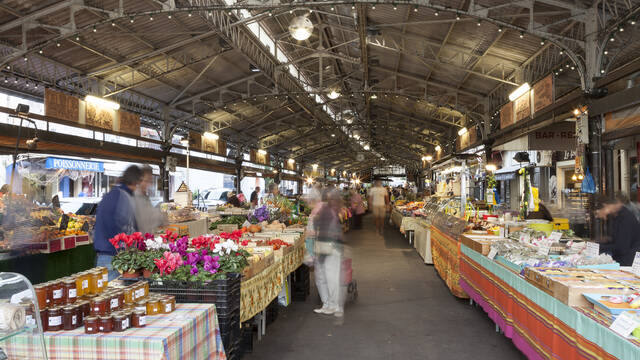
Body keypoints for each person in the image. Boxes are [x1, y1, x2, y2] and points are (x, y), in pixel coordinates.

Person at [94, 165, 142, 280]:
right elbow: (126, 228)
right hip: (114, 257)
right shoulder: (124, 197)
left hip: (103, 255)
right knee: (117, 295)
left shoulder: (111, 194)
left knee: (106, 294)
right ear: (136, 182)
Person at [313, 187, 345, 317]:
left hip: (328, 245)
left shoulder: (327, 209)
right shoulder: (335, 209)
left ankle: (333, 305)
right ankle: (330, 305)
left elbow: (317, 224)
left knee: (328, 277)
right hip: (331, 245)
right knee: (328, 277)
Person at [596, 193, 640, 266]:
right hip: (622, 259)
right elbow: (617, 239)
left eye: (597, 212)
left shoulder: (625, 218)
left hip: (628, 262)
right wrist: (604, 241)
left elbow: (622, 247)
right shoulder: (616, 216)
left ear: (605, 206)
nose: (597, 216)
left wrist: (599, 247)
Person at [134, 165, 165, 235]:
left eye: (151, 181)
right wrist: (161, 215)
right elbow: (145, 219)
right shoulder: (135, 197)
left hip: (147, 238)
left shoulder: (145, 197)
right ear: (139, 180)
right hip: (138, 240)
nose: (149, 184)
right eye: (147, 181)